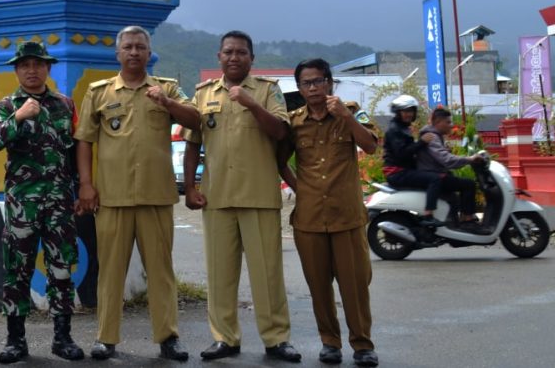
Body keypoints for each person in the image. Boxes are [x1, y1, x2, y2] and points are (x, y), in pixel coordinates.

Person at [74, 25, 200, 361]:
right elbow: (84, 140)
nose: (133, 52)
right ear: (118, 53)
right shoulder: (98, 92)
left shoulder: (167, 87)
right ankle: (106, 338)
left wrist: (168, 102)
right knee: (110, 270)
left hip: (156, 197)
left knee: (161, 271)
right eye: (127, 47)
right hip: (111, 198)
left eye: (140, 47)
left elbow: (197, 119)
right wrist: (86, 184)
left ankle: (168, 337)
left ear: (149, 52)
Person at [183, 32, 301, 363]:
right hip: (217, 196)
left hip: (259, 195)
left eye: (242, 52)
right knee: (220, 274)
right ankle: (225, 338)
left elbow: (280, 132)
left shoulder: (267, 90)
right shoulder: (203, 94)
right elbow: (193, 142)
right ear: (219, 56)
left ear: (252, 58)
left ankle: (276, 339)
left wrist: (251, 103)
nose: (235, 57)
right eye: (229, 52)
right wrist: (190, 186)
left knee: (268, 274)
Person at [0, 41, 84, 364]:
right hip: (21, 207)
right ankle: (16, 340)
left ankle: (62, 337)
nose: (32, 70)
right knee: (17, 271)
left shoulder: (65, 105)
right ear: (16, 70)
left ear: (48, 68)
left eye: (38, 64)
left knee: (61, 270)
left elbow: (75, 149)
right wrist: (18, 116)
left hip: (59, 203)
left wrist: (82, 187)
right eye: (25, 65)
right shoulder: (5, 105)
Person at [278, 58, 379, 368]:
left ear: (330, 83)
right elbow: (279, 160)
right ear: (299, 88)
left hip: (346, 216)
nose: (314, 88)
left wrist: (346, 116)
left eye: (319, 81)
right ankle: (329, 342)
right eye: (307, 83)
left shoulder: (348, 111)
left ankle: (362, 344)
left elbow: (371, 145)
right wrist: (300, 188)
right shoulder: (294, 122)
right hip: (309, 219)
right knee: (318, 285)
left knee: (355, 285)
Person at [415, 107, 485, 229]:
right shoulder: (432, 137)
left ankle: (455, 221)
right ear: (438, 122)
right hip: (433, 175)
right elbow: (446, 159)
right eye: (448, 122)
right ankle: (467, 219)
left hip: (434, 174)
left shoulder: (435, 136)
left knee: (457, 190)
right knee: (468, 184)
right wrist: (469, 159)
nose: (451, 125)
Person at [382, 94, 442, 227]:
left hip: (403, 170)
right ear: (398, 112)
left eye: (411, 111)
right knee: (435, 178)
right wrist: (422, 142)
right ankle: (428, 215)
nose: (409, 114)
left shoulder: (403, 127)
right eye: (405, 111)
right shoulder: (395, 130)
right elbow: (402, 153)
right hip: (397, 172)